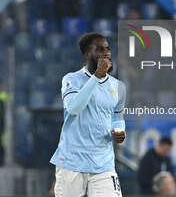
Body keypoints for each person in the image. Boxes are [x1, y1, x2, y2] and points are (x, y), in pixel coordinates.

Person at [50, 32, 127, 197]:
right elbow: (74, 108)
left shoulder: (118, 87)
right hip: (72, 161)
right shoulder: (72, 79)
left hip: (103, 162)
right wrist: (96, 76)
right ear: (87, 55)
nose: (106, 53)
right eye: (99, 49)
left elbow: (116, 117)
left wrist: (119, 130)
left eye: (107, 48)